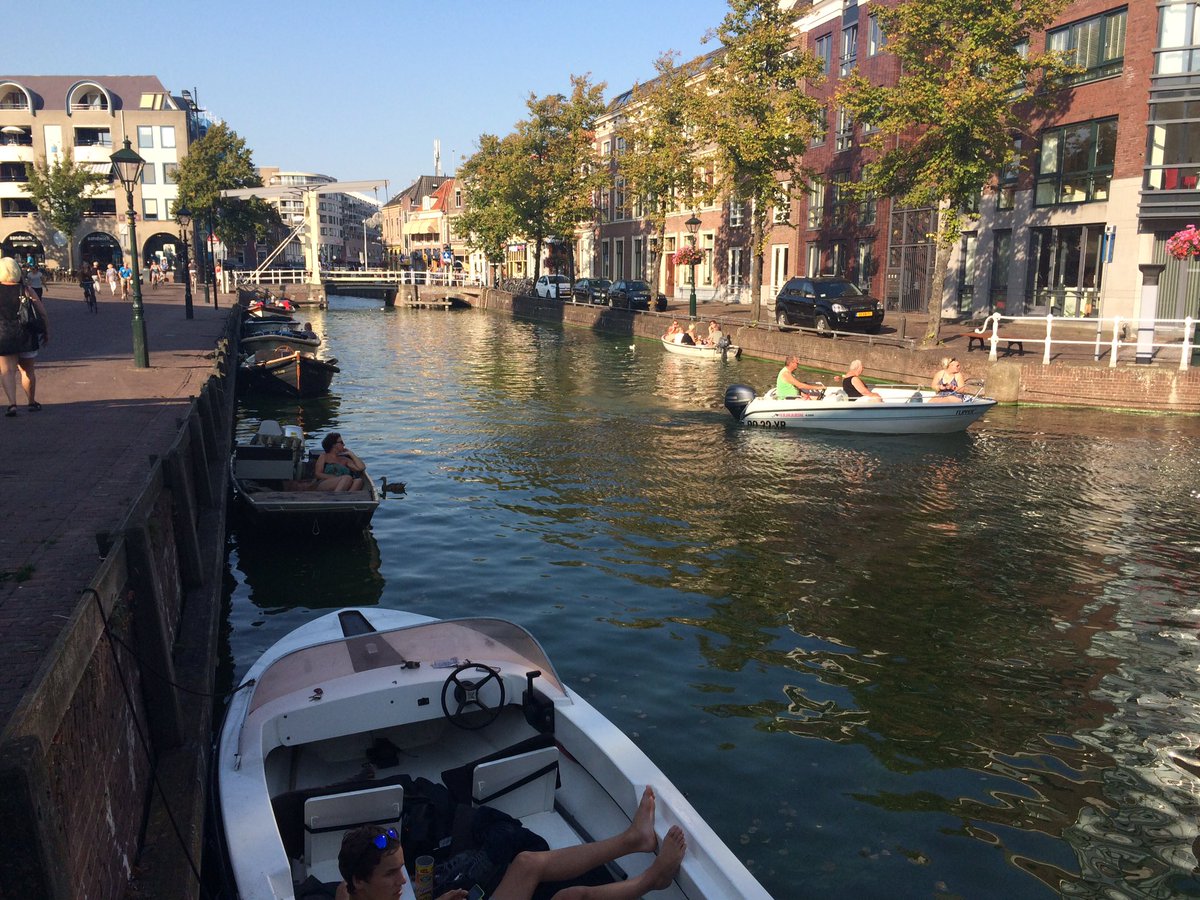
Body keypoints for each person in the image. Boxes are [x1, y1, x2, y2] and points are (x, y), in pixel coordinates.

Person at [335, 787, 685, 900]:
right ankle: (653, 879)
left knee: (528, 862)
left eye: (401, 869)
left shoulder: (348, 889)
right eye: (390, 876)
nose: (403, 881)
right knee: (571, 897)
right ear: (359, 881)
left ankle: (633, 838)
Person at [0, 256, 49, 416]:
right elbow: (42, 312)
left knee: (7, 371)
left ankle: (12, 404)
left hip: (4, 335)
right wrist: (47, 331)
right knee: (27, 370)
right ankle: (31, 401)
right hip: (26, 334)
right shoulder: (26, 289)